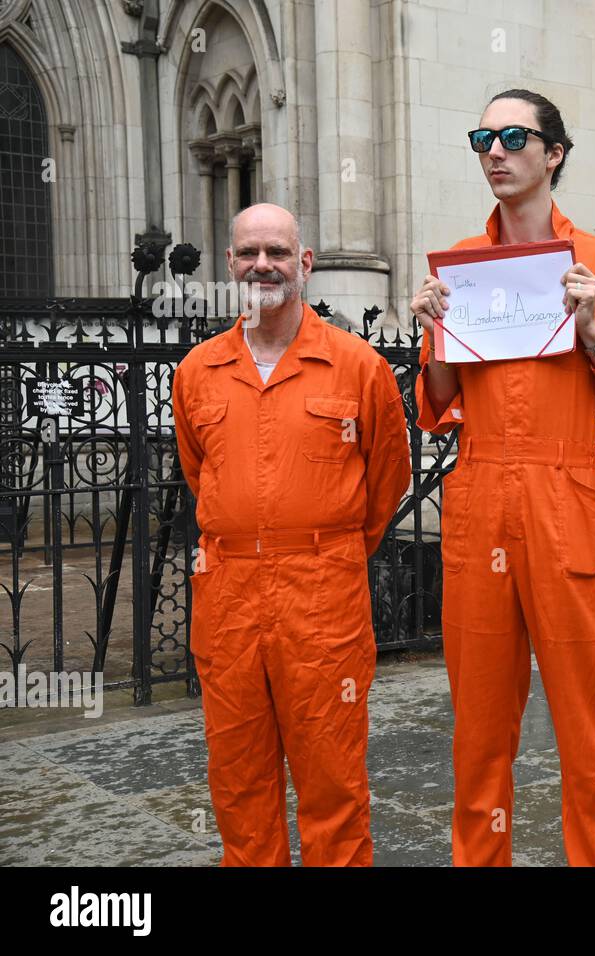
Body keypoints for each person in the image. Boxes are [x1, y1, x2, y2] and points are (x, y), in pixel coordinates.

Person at [410, 89, 595, 866]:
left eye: (514, 136)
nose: (496, 150)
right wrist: (434, 336)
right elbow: (439, 406)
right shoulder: (459, 265)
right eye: (482, 136)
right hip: (480, 494)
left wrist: (594, 336)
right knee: (479, 733)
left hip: (569, 498)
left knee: (591, 728)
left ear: (553, 153)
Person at [173, 202, 412, 866]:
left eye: (277, 252)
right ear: (230, 265)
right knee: (239, 783)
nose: (263, 265)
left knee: (333, 780)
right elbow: (202, 475)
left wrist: (326, 547)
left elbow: (388, 476)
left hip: (322, 597)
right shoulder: (197, 372)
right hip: (229, 596)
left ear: (304, 263)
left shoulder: (357, 367)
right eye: (249, 253)